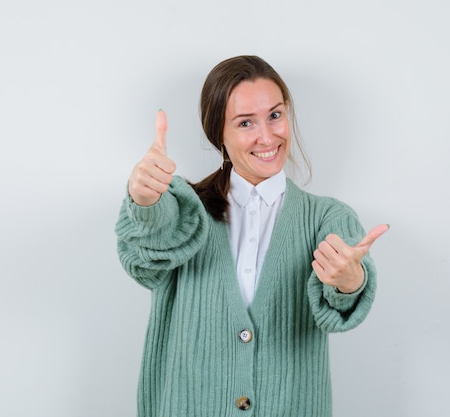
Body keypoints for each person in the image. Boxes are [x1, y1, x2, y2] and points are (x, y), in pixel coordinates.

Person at [115, 55, 388, 417]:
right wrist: (145, 201)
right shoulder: (182, 210)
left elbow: (342, 300)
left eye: (275, 115)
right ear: (220, 136)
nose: (267, 135)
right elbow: (141, 260)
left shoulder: (327, 217)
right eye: (245, 123)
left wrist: (350, 281)